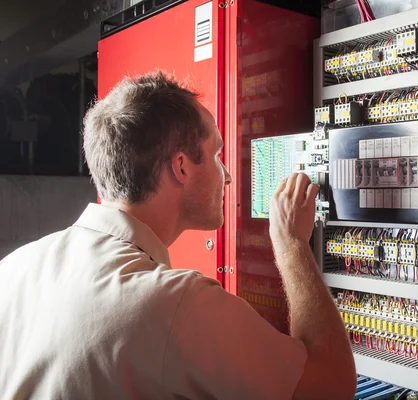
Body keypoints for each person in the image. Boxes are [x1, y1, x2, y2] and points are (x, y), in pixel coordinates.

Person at [0, 71, 356, 399]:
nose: (228, 176)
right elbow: (330, 388)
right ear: (182, 166)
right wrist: (291, 243)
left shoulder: (13, 269)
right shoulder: (174, 304)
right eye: (216, 154)